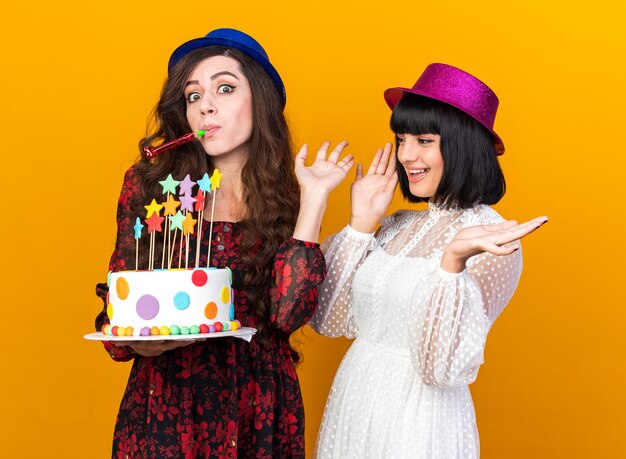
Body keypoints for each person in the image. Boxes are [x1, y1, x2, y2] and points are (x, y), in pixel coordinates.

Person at [95, 28, 354, 458]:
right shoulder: (150, 188)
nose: (206, 106)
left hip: (261, 408)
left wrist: (314, 203)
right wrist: (133, 339)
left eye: (225, 88)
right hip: (166, 407)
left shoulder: (289, 196)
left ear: (261, 101)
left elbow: (288, 316)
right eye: (193, 96)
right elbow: (117, 313)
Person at [309, 63, 548, 458]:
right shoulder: (395, 225)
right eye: (401, 139)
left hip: (420, 417)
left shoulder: (491, 238)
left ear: (463, 145)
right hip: (355, 399)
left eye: (423, 140)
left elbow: (440, 369)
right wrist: (361, 223)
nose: (405, 155)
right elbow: (328, 319)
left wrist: (451, 265)